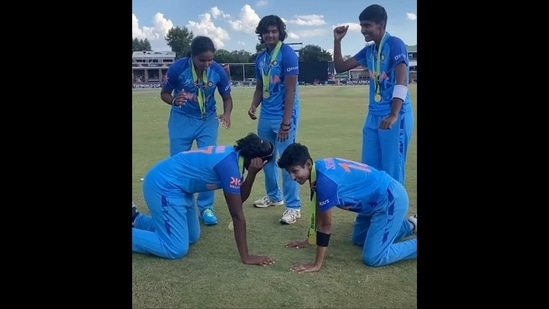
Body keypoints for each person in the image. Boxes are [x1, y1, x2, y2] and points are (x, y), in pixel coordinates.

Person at [132, 133, 275, 265]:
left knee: (192, 235)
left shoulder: (235, 155)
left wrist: (251, 174)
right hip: (163, 186)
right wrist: (246, 257)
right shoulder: (229, 167)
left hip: (180, 188)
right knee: (175, 248)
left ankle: (136, 220)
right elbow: (237, 214)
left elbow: (240, 197)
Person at [277, 143, 417, 272]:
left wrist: (316, 264)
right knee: (359, 238)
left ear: (307, 164)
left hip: (390, 199)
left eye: (295, 171)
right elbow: (317, 209)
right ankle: (411, 224)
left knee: (374, 257)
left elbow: (325, 225)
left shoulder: (325, 181)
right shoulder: (317, 169)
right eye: (289, 172)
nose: (292, 177)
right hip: (375, 201)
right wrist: (309, 239)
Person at [332, 4, 414, 185]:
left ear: (381, 25)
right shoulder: (369, 50)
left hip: (395, 115)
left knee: (392, 171)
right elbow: (340, 68)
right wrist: (337, 42)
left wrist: (393, 114)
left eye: (367, 25)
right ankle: (373, 211)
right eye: (361, 26)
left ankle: (393, 213)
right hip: (374, 114)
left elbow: (402, 81)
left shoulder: (395, 44)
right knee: (369, 169)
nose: (363, 30)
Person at [160, 36, 233, 226]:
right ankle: (181, 204)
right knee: (178, 163)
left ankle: (206, 207)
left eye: (210, 59)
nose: (207, 64)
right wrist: (174, 100)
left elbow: (227, 97)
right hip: (181, 120)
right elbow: (165, 94)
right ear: (192, 56)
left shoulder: (217, 71)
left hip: (207, 120)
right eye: (202, 60)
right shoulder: (178, 68)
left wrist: (226, 114)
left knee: (208, 163)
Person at [247, 15, 302, 224]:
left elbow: (290, 91)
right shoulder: (260, 58)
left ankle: (293, 206)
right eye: (267, 31)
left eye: (274, 31)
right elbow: (260, 87)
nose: (270, 35)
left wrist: (286, 122)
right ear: (261, 34)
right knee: (266, 159)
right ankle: (274, 196)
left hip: (284, 115)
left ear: (280, 33)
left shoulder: (288, 55)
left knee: (289, 161)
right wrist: (254, 105)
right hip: (266, 115)